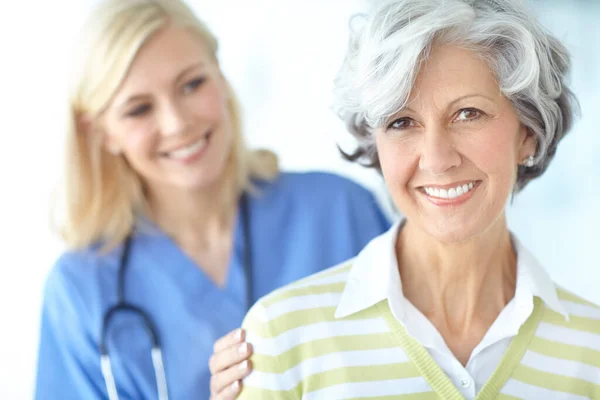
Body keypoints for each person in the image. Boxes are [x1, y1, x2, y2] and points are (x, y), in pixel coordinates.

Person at [238, 0, 600, 398]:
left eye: (468, 114)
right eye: (401, 122)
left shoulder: (592, 351)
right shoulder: (282, 337)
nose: (437, 159)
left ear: (527, 133)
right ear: (375, 143)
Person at [34, 0, 391, 399]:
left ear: (220, 77)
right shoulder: (82, 289)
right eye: (138, 109)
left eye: (192, 84)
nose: (177, 122)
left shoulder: (340, 211)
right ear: (101, 133)